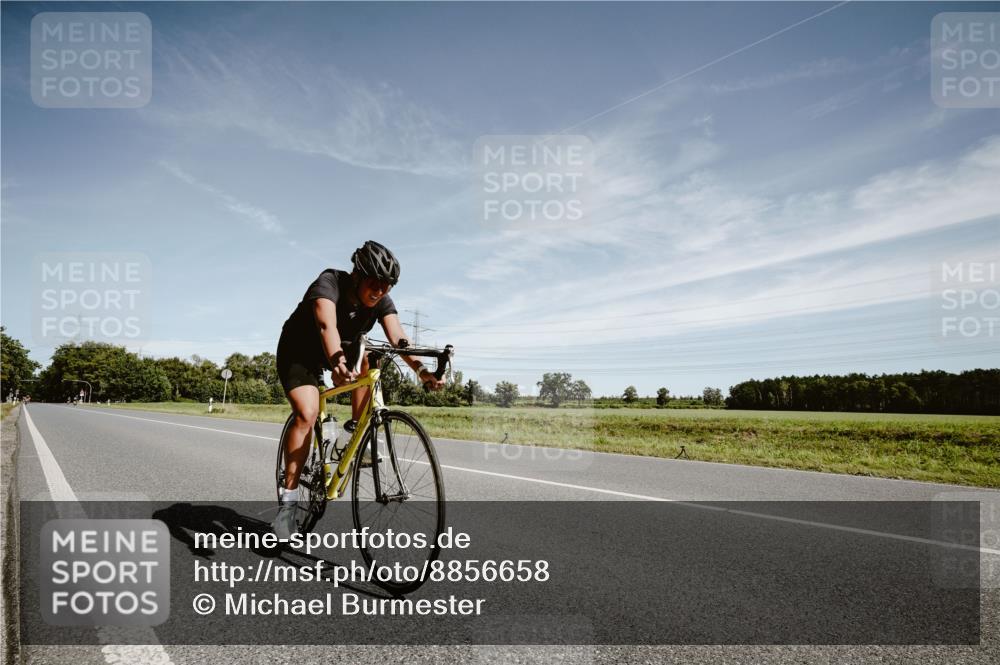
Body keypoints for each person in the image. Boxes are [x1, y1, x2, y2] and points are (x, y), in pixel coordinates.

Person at [272, 241, 445, 539]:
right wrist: (338, 362)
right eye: (374, 282)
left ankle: (354, 431)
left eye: (387, 286)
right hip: (299, 350)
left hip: (343, 350)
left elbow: (399, 339)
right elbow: (327, 327)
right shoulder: (330, 282)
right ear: (357, 274)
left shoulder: (381, 301)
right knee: (308, 413)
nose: (379, 290)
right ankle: (286, 509)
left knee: (369, 357)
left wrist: (421, 370)